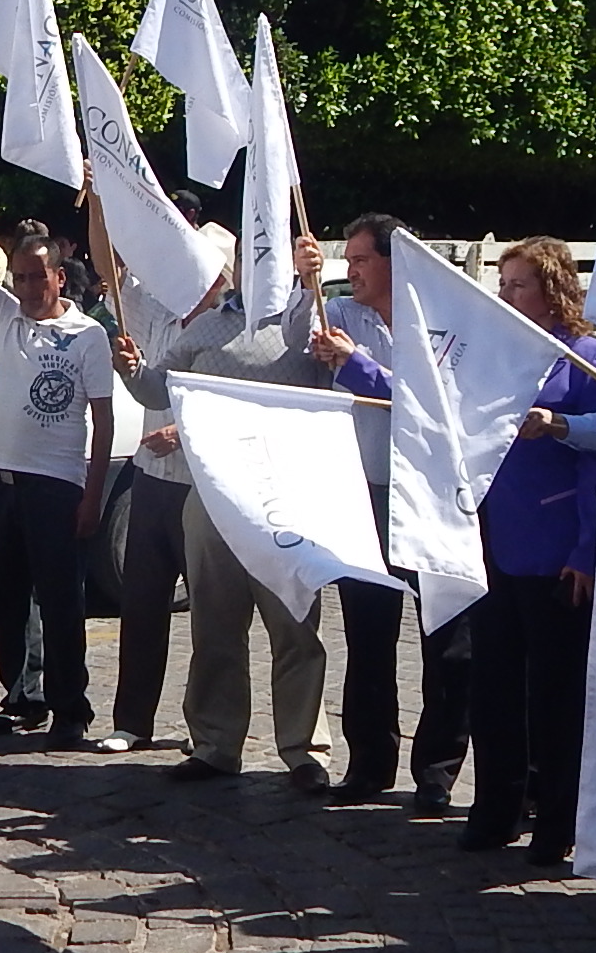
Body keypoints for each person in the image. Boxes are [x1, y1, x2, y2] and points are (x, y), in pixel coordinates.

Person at [0, 148, 115, 743]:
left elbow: (104, 421)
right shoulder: (5, 314)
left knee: (61, 602)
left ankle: (71, 710)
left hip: (57, 485)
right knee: (8, 600)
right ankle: (23, 697)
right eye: (22, 276)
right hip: (1, 477)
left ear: (61, 276)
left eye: (41, 275)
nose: (31, 286)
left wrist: (93, 495)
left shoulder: (87, 336)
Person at [458, 236, 596, 863]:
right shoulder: (499, 353)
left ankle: (559, 820)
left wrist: (587, 548)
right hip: (495, 543)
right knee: (493, 687)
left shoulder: (590, 358)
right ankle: (495, 808)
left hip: (556, 549)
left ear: (552, 291)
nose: (507, 295)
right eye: (503, 285)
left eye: (518, 285)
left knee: (555, 695)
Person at [310, 214, 474, 813]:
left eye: (360, 260)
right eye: (346, 260)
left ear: (392, 262)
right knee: (367, 637)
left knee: (447, 639)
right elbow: (299, 325)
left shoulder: (440, 323)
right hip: (365, 493)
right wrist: (304, 278)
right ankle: (370, 761)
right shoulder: (339, 316)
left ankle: (437, 770)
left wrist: (357, 365)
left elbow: (429, 400)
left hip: (429, 496)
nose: (349, 271)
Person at [166, 240, 337, 789]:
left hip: (286, 499)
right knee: (215, 623)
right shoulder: (207, 326)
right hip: (214, 499)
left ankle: (305, 749)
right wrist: (130, 366)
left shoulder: (307, 316)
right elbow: (153, 384)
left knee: (294, 626)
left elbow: (337, 377)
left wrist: (313, 285)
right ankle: (215, 744)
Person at [105, 232, 228, 758]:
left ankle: (210, 731)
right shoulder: (155, 314)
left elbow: (235, 404)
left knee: (213, 615)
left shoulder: (232, 330)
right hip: (152, 480)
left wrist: (183, 432)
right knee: (142, 603)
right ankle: (133, 721)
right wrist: (100, 198)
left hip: (206, 487)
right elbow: (109, 264)